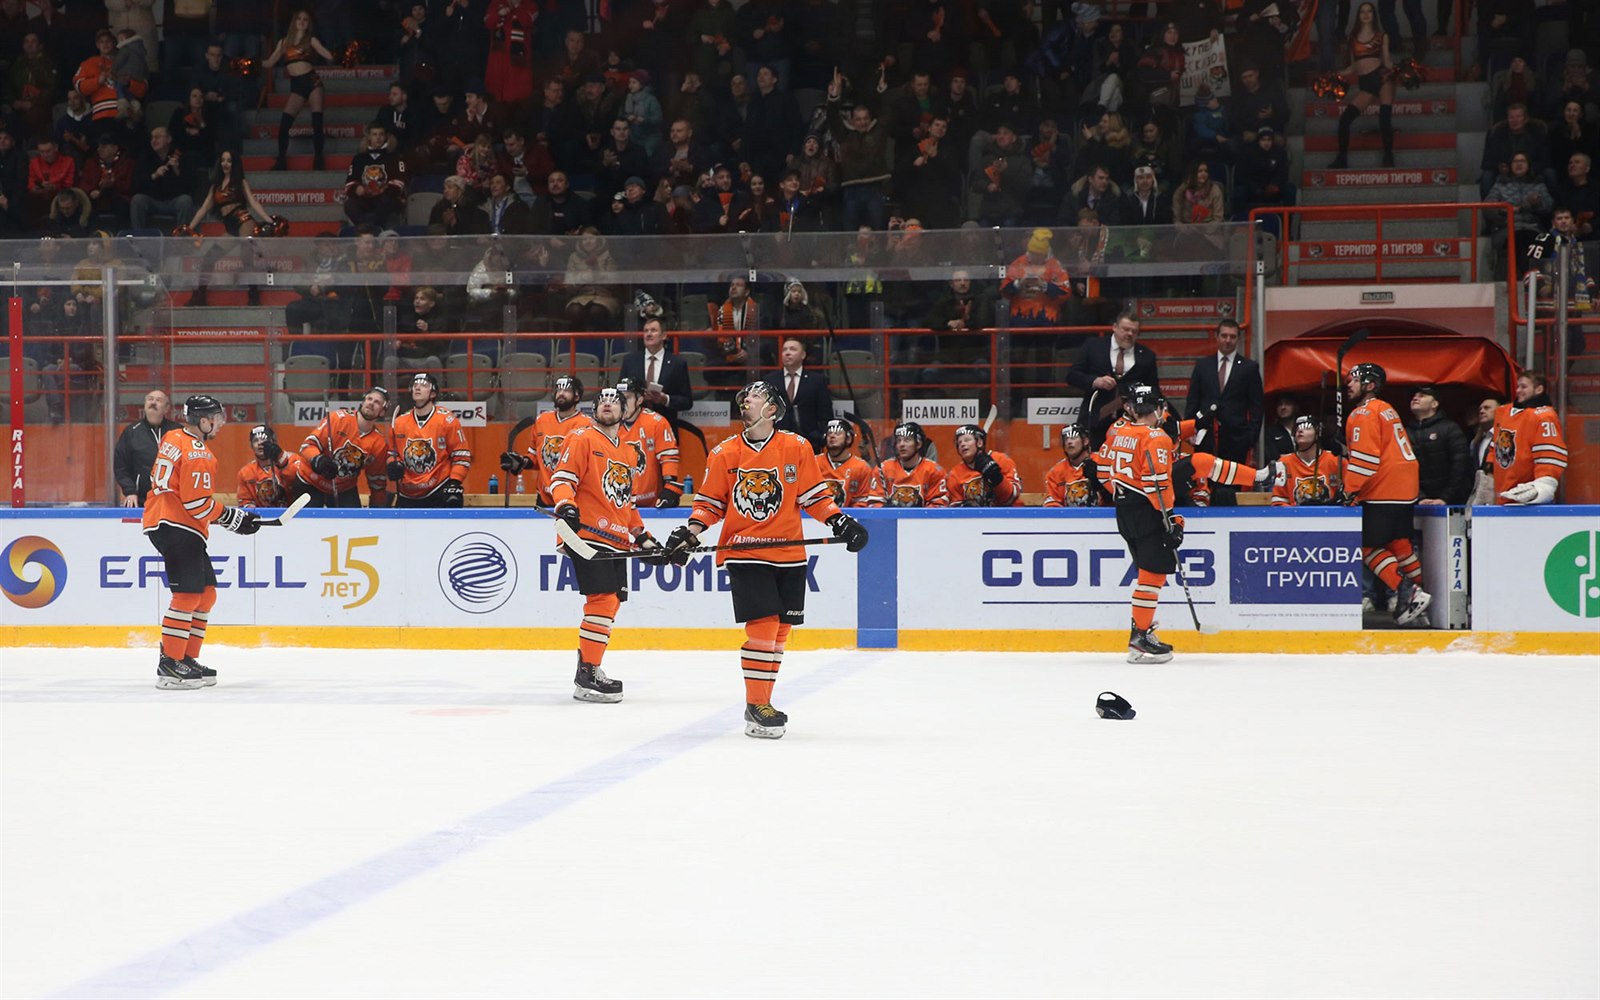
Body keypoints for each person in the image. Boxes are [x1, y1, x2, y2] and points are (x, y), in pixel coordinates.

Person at [661, 381, 867, 739]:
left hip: (789, 553)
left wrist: (840, 521)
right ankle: (757, 705)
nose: (746, 400)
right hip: (745, 551)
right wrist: (690, 533)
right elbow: (710, 504)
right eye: (745, 397)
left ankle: (763, 701)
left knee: (781, 630)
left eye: (755, 396)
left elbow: (814, 497)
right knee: (764, 625)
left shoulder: (797, 446)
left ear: (772, 409)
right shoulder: (725, 452)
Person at [548, 386, 664, 703]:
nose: (608, 405)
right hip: (586, 535)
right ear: (594, 409)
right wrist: (566, 506)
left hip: (617, 539)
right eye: (603, 401)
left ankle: (589, 669)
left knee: (611, 603)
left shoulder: (627, 451)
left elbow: (627, 503)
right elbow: (562, 479)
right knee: (602, 599)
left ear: (626, 411)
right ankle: (587, 674)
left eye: (615, 401)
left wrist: (642, 537)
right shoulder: (582, 438)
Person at [141, 394, 262, 689]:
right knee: (187, 595)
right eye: (216, 418)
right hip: (176, 523)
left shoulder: (173, 436)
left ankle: (184, 657)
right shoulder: (199, 453)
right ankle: (170, 665)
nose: (220, 424)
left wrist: (230, 518)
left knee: (206, 593)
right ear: (203, 421)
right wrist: (233, 518)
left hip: (172, 521)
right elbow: (196, 504)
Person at [1098, 384, 1183, 663]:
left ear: (1133, 409)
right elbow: (1156, 484)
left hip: (1124, 510)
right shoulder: (1157, 437)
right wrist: (1169, 519)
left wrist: (1124, 495)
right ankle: (1140, 638)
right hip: (1147, 510)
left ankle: (1141, 632)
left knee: (1148, 572)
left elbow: (1104, 471)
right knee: (1153, 575)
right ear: (1158, 409)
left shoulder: (1118, 433)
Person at [1344, 362, 1431, 625]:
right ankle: (1421, 601)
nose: (1349, 384)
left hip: (1382, 489)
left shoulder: (1363, 413)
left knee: (1364, 545)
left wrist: (1348, 491)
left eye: (1354, 380)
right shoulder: (1386, 409)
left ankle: (1407, 591)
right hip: (1405, 488)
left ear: (1369, 385)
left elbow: (1365, 460)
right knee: (1398, 544)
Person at [1183, 318, 1264, 505]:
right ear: (1217, 337)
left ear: (1238, 339)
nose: (1228, 340)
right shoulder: (1203, 365)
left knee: (1231, 486)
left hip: (1236, 438)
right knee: (1204, 482)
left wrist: (1250, 437)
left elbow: (1256, 405)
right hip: (1205, 436)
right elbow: (1193, 400)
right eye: (1224, 336)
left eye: (1232, 337)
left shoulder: (1249, 367)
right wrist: (1190, 429)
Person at [1066, 309, 1161, 448]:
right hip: (1095, 419)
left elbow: (1154, 390)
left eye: (1134, 331)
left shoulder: (1147, 356)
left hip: (1131, 425)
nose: (1129, 334)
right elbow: (1072, 376)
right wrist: (1095, 381)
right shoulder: (1093, 347)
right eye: (1125, 329)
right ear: (1115, 327)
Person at [501, 374, 591, 505]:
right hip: (544, 498)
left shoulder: (587, 424)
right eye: (558, 390)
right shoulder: (542, 420)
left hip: (573, 498)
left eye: (566, 390)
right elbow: (535, 457)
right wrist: (521, 462)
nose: (561, 393)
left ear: (577, 396)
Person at [297, 385, 394, 508]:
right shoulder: (337, 419)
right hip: (311, 481)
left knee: (353, 519)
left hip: (343, 489)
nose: (371, 403)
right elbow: (307, 446)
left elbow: (376, 479)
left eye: (377, 402)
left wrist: (378, 507)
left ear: (383, 411)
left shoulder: (379, 443)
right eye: (369, 399)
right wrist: (319, 460)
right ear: (363, 401)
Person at [262, 9, 333, 171]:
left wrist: (341, 54)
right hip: (297, 86)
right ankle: (281, 160)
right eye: (299, 18)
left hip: (312, 82)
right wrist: (251, 63)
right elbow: (270, 62)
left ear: (309, 24)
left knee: (317, 122)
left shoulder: (311, 40)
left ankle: (318, 158)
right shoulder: (283, 43)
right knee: (284, 124)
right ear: (294, 21)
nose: (301, 21)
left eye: (305, 19)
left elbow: (328, 55)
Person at [389, 372, 471, 508]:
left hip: (438, 489)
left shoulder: (447, 420)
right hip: (407, 492)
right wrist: (392, 464)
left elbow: (461, 456)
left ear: (433, 393)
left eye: (424, 385)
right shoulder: (399, 422)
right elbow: (392, 454)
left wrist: (455, 481)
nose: (417, 387)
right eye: (415, 385)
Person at [1330, 2, 1395, 169]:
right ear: (1358, 16)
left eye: (1369, 11)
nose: (1366, 14)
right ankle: (1341, 158)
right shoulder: (1352, 38)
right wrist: (1336, 74)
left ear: (1374, 15)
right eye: (1362, 12)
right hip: (1365, 83)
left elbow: (1387, 61)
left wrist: (1400, 70)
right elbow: (1353, 67)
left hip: (1382, 78)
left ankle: (1388, 156)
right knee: (1345, 120)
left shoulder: (1382, 36)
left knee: (1384, 118)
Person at [1490, 371, 1568, 505]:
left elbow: (1549, 455)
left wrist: (1544, 484)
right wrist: (1488, 469)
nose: (1518, 391)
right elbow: (1495, 447)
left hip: (1527, 501)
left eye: (1524, 387)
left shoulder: (1544, 416)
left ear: (1539, 389)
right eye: (1518, 386)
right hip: (1501, 498)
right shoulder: (1503, 412)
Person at [615, 376, 683, 508]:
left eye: (628, 398)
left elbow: (668, 458)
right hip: (618, 505)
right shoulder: (609, 424)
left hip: (649, 504)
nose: (622, 403)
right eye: (619, 398)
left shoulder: (656, 422)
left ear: (640, 400)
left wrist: (669, 487)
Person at [761, 336, 831, 454]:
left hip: (809, 442)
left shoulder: (817, 380)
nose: (787, 353)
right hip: (777, 443)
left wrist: (819, 436)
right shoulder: (770, 379)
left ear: (803, 355)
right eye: (784, 350)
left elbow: (825, 412)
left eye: (793, 349)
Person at [614, 316, 692, 421]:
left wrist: (665, 399)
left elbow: (687, 401)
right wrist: (637, 397)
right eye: (646, 331)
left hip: (666, 421)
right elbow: (620, 391)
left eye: (653, 330)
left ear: (664, 335)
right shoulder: (630, 360)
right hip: (634, 421)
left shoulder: (677, 363)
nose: (649, 334)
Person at [112, 389, 181, 506]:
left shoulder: (178, 432)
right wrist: (130, 491)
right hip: (140, 500)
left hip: (173, 500)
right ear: (144, 405)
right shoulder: (131, 432)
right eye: (150, 399)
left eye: (159, 400)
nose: (153, 402)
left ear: (166, 408)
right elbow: (121, 466)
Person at [1409, 385, 1472, 505]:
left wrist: (1445, 498)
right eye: (1414, 396)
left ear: (1434, 404)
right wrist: (1420, 497)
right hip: (1418, 502)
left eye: (1422, 396)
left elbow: (1460, 465)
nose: (1415, 398)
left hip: (1451, 501)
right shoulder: (1406, 432)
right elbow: (1404, 470)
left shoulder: (1450, 428)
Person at [343, 122, 407, 230]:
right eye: (374, 134)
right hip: (366, 198)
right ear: (369, 137)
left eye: (381, 134)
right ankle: (366, 230)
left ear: (386, 137)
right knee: (349, 204)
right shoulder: (359, 158)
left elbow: (399, 182)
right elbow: (350, 183)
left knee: (385, 201)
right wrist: (357, 189)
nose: (378, 138)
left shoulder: (394, 156)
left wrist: (382, 190)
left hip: (388, 198)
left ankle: (376, 230)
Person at [1271, 415, 1343, 506]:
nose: (1300, 431)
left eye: (1307, 428)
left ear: (1317, 434)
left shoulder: (1335, 460)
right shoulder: (1284, 463)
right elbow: (1278, 502)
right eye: (1297, 429)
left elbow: (1350, 495)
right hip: (1295, 514)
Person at [945, 423, 1022, 507]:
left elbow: (1012, 497)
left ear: (980, 442)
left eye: (967, 440)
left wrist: (995, 476)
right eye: (959, 442)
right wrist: (965, 507)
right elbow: (954, 509)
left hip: (1008, 514)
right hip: (976, 515)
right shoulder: (955, 474)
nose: (962, 444)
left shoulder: (1001, 460)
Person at [815, 418, 883, 507]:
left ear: (848, 438)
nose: (832, 436)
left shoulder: (862, 468)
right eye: (829, 434)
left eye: (837, 433)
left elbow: (862, 503)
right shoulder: (813, 463)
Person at [879, 421, 948, 507]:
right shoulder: (883, 469)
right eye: (899, 440)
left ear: (918, 444)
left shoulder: (934, 471)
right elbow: (874, 505)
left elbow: (938, 506)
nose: (901, 444)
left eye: (907, 440)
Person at [236, 424, 301, 508]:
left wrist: (282, 461)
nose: (260, 443)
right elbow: (245, 501)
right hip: (262, 515)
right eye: (256, 440)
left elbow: (300, 483)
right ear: (251, 445)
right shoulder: (246, 472)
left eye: (264, 439)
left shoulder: (292, 459)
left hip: (293, 513)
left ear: (273, 442)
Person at [1042, 424, 1102, 507]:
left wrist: (1100, 484)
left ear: (1085, 441)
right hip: (1070, 515)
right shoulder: (1055, 473)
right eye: (1066, 439)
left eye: (1073, 438)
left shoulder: (1102, 461)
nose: (1069, 442)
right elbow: (1052, 504)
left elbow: (1114, 494)